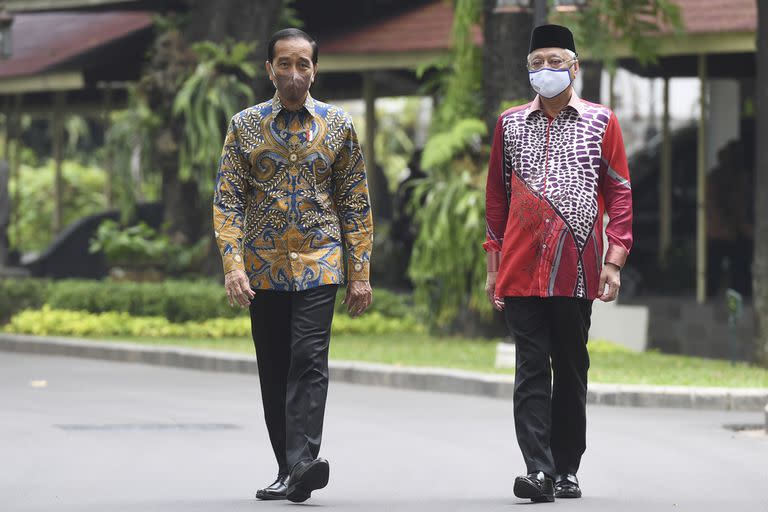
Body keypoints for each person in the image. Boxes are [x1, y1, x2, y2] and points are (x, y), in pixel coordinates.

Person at [212, 28, 374, 503]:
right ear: (270, 69)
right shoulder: (243, 126)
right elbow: (227, 199)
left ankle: (303, 460)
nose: (294, 73)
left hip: (320, 261)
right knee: (274, 366)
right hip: (262, 268)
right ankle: (289, 468)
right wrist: (233, 265)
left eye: (303, 64)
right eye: (285, 63)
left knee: (308, 358)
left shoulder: (339, 125)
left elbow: (355, 201)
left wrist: (360, 273)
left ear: (314, 70)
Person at [484, 24, 633, 503]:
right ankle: (538, 470)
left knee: (570, 368)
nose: (545, 70)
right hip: (521, 268)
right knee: (530, 368)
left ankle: (566, 467)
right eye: (536, 63)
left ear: (574, 66)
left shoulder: (601, 122)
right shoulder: (508, 124)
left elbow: (620, 193)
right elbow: (496, 200)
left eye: (554, 61)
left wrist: (614, 260)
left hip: (578, 269)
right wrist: (493, 268)